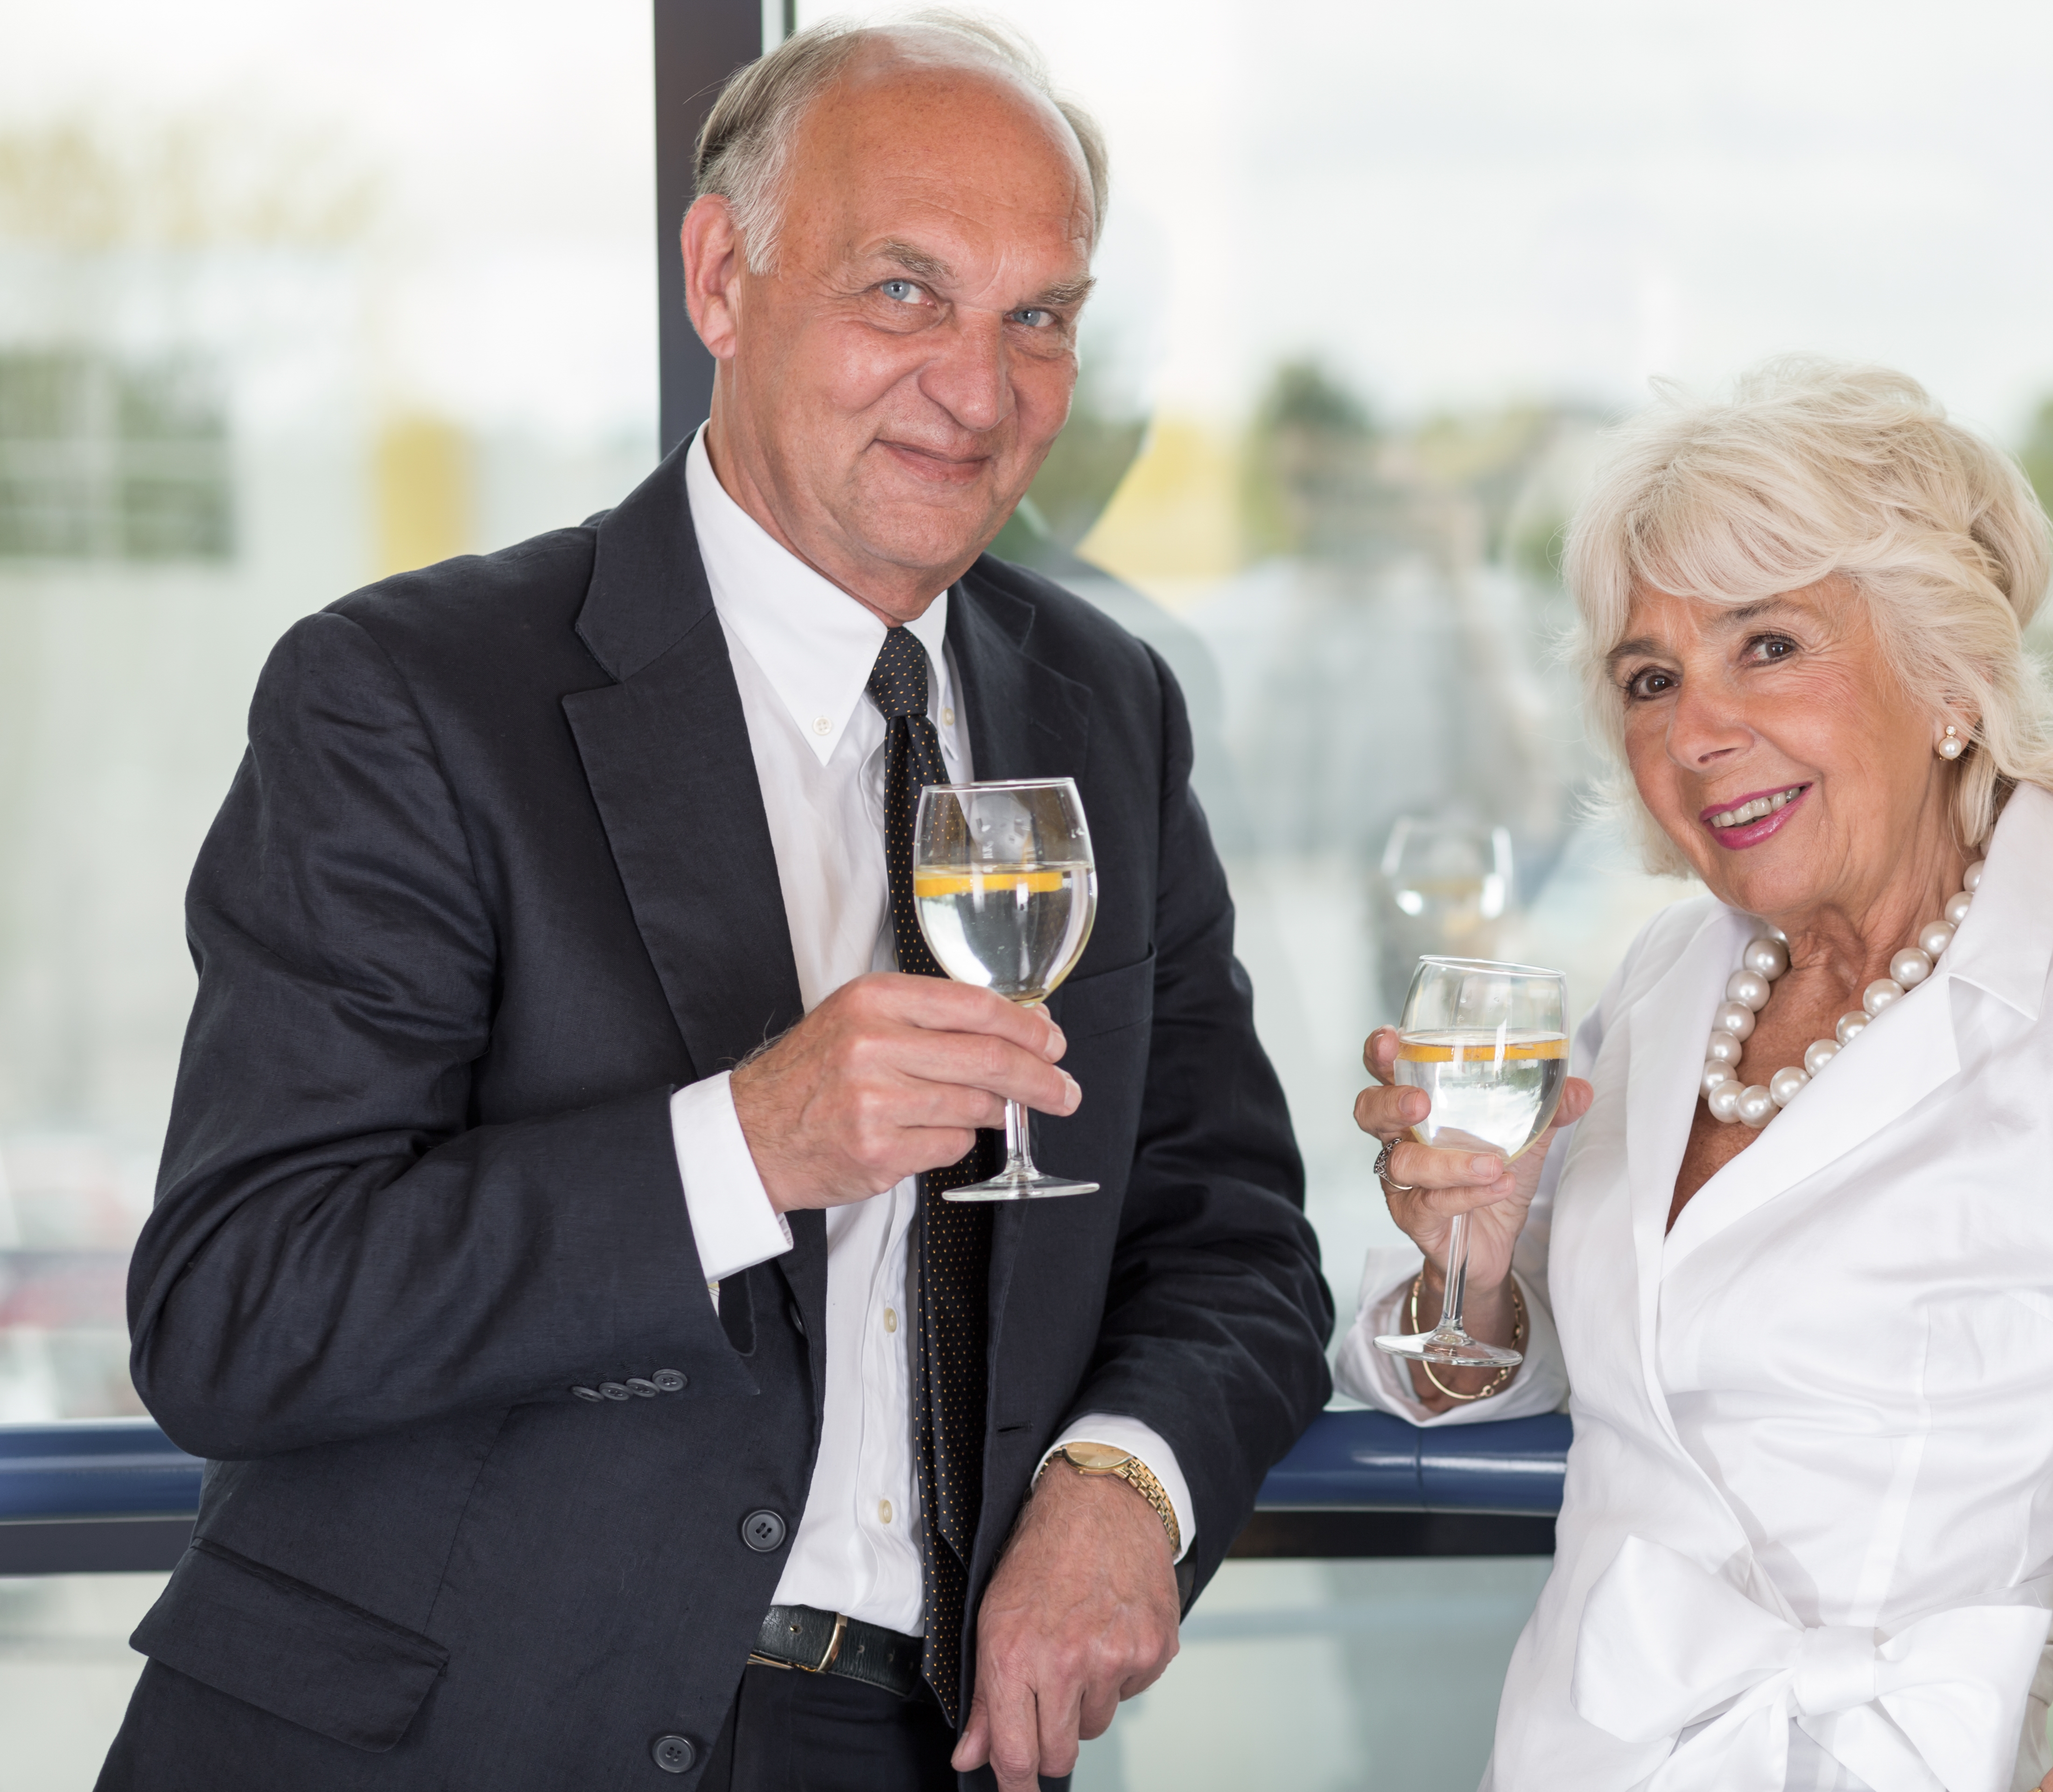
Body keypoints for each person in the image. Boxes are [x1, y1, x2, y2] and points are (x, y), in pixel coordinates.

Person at [105, 16, 1331, 1791]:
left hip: (909, 1745)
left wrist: (1127, 1480)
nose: (980, 393)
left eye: (1038, 317)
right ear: (722, 276)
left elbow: (1226, 1234)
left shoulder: (1105, 706)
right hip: (440, 1737)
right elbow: (237, 1310)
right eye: (905, 292)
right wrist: (744, 1148)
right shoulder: (411, 693)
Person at [1334, 358, 2053, 1792]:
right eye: (1651, 678)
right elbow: (1517, 1372)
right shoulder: (1664, 986)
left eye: (1767, 646)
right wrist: (1466, 1269)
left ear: (1948, 671)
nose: (1694, 731)